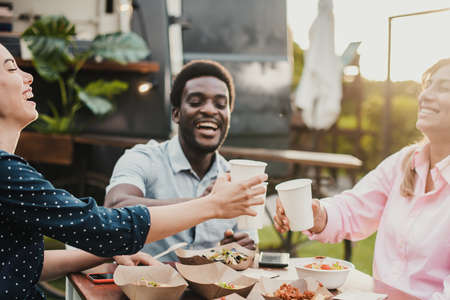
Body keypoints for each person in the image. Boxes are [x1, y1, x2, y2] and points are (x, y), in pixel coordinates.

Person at [0, 44, 267, 300]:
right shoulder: (6, 172)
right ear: (176, 112)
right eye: (12, 69)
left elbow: (23, 263)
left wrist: (109, 253)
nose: (29, 76)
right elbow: (105, 226)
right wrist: (211, 205)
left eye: (220, 104)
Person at [274, 58, 450, 299]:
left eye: (445, 87)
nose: (425, 96)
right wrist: (316, 213)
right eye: (427, 85)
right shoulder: (404, 162)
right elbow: (353, 209)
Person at [104, 60, 258, 261]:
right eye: (196, 102)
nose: (210, 110)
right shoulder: (143, 158)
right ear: (176, 113)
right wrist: (207, 204)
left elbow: (249, 252)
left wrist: (230, 253)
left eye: (220, 104)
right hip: (146, 284)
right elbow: (115, 208)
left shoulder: (234, 179)